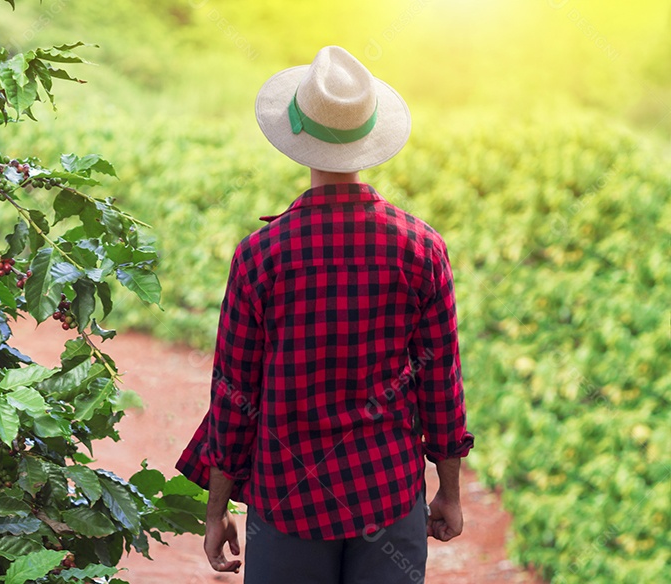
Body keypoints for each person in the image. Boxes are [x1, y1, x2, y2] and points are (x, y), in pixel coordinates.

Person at [175, 45, 474, 584]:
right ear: (370, 138)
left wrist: (217, 510)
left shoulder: (261, 255)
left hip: (287, 505)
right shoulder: (422, 248)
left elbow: (234, 393)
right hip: (387, 497)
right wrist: (448, 493)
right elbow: (441, 383)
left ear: (298, 141)